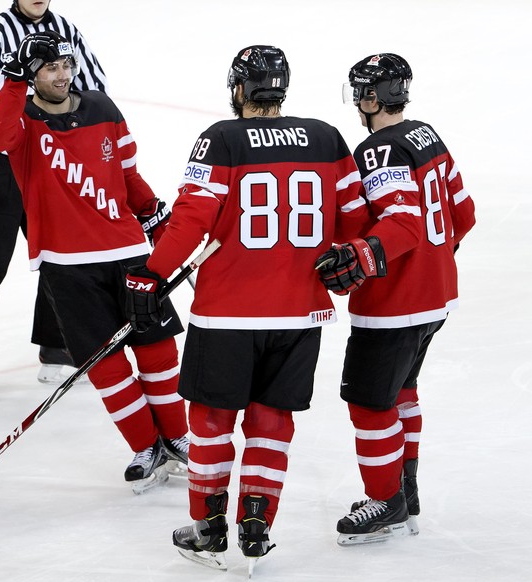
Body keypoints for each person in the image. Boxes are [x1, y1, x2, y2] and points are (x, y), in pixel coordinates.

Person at [124, 46, 372, 571]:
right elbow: (354, 220)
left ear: (239, 89)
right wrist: (352, 258)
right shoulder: (326, 138)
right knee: (272, 420)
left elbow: (192, 215)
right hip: (301, 315)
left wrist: (152, 273)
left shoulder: (223, 138)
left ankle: (209, 526)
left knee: (212, 419)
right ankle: (257, 521)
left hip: (227, 314)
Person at [0, 31, 188, 493]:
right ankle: (145, 444)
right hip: (65, 262)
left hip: (128, 251)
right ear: (31, 76)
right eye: (49, 67)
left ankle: (177, 437)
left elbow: (127, 173)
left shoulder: (103, 108)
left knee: (157, 350)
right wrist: (12, 84)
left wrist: (152, 211)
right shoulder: (21, 118)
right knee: (105, 362)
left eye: (65, 64)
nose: (62, 74)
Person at [316, 53, 476, 545]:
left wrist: (362, 255)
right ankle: (405, 490)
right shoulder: (426, 135)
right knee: (401, 391)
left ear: (370, 97)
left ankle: (384, 500)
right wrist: (434, 264)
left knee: (368, 402)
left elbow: (403, 221)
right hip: (438, 297)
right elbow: (464, 213)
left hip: (395, 306)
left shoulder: (379, 150)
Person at [0, 0, 112, 401]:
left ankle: (57, 347)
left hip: (49, 159)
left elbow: (94, 86)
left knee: (62, 256)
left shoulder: (65, 29)